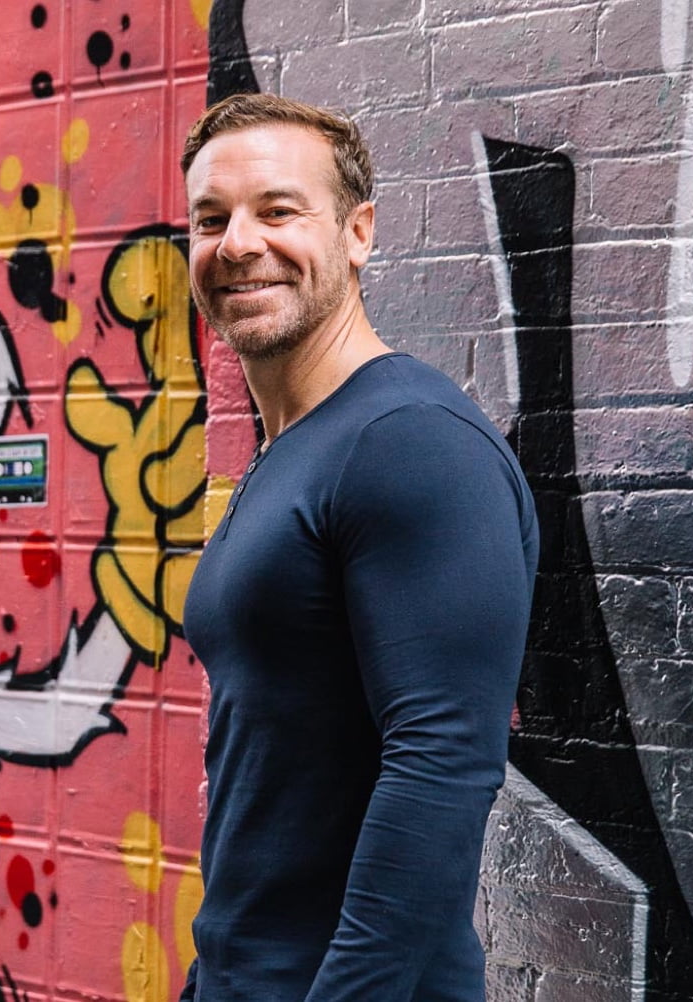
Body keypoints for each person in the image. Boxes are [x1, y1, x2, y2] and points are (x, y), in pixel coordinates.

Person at [179, 93, 539, 1002]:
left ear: (358, 233)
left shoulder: (409, 442)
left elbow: (443, 763)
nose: (237, 244)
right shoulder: (297, 448)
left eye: (278, 210)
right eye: (211, 219)